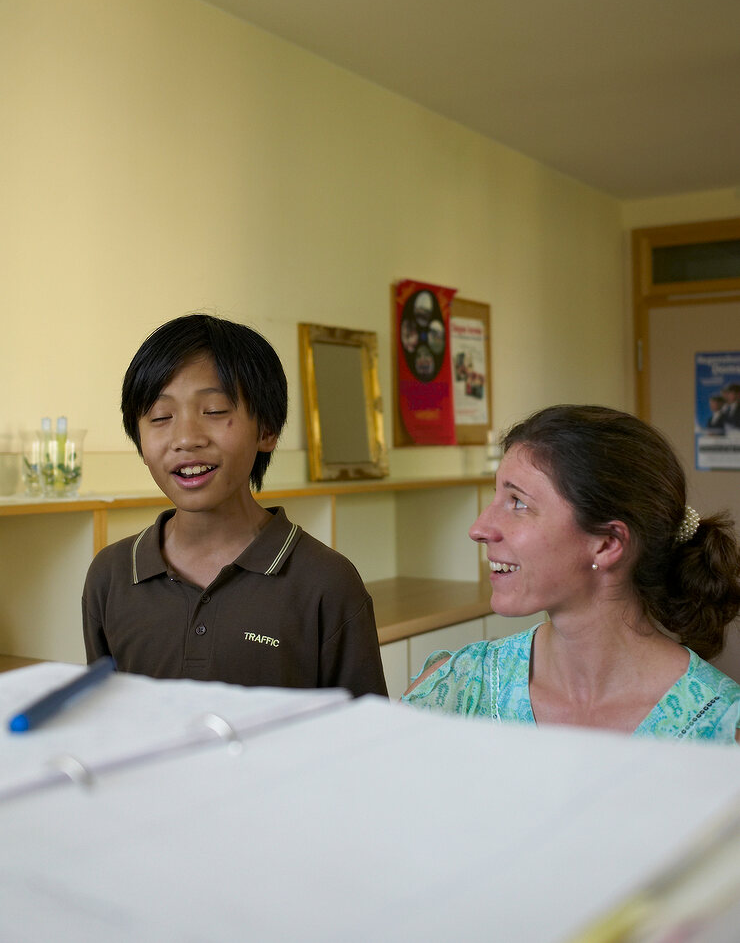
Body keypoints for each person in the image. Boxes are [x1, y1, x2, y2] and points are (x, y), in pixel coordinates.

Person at [83, 314, 387, 698]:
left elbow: (366, 740)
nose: (185, 439)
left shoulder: (326, 581)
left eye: (213, 412)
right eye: (160, 417)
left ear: (267, 430)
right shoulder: (110, 576)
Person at [403, 405, 740, 743]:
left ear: (607, 544)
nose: (478, 528)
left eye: (518, 502)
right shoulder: (454, 690)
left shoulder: (722, 732)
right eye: (496, 495)